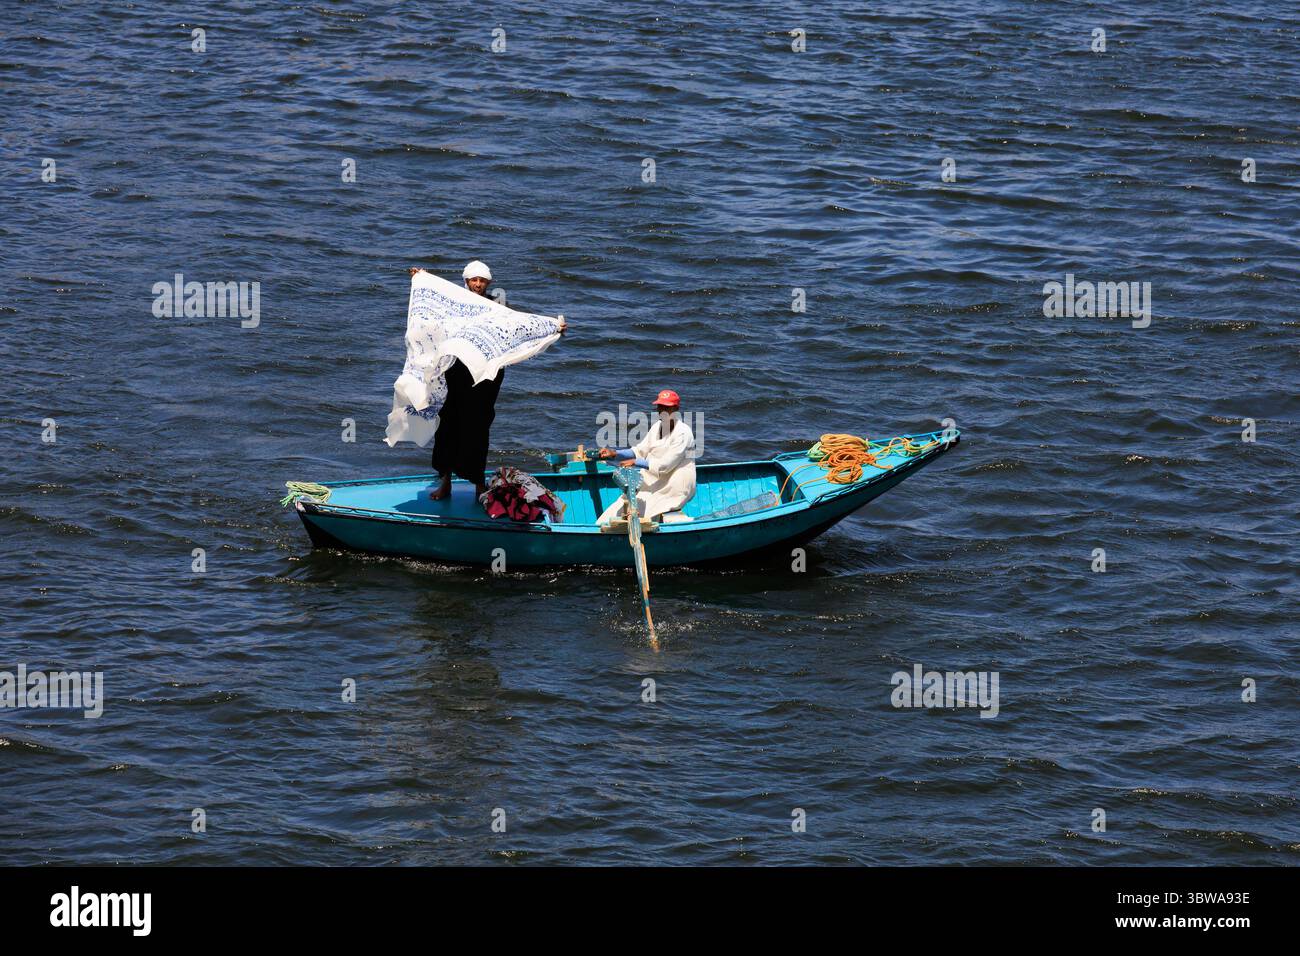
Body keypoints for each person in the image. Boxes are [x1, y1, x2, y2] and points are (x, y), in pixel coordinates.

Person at [407, 260, 566, 500]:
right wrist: (422, 278)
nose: (478, 284)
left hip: (484, 379)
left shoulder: (497, 306)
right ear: (467, 281)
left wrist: (554, 328)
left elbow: (521, 327)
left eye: (482, 281)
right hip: (454, 372)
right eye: (474, 280)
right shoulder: (457, 302)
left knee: (478, 428)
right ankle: (446, 482)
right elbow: (434, 303)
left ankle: (478, 483)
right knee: (448, 426)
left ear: (488, 283)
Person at [597, 389, 696, 523]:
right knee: (616, 512)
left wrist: (635, 461)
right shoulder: (657, 427)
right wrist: (615, 453)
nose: (662, 411)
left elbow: (665, 465)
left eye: (667, 407)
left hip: (674, 486)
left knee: (647, 516)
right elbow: (639, 451)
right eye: (660, 407)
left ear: (676, 409)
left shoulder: (683, 433)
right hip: (653, 482)